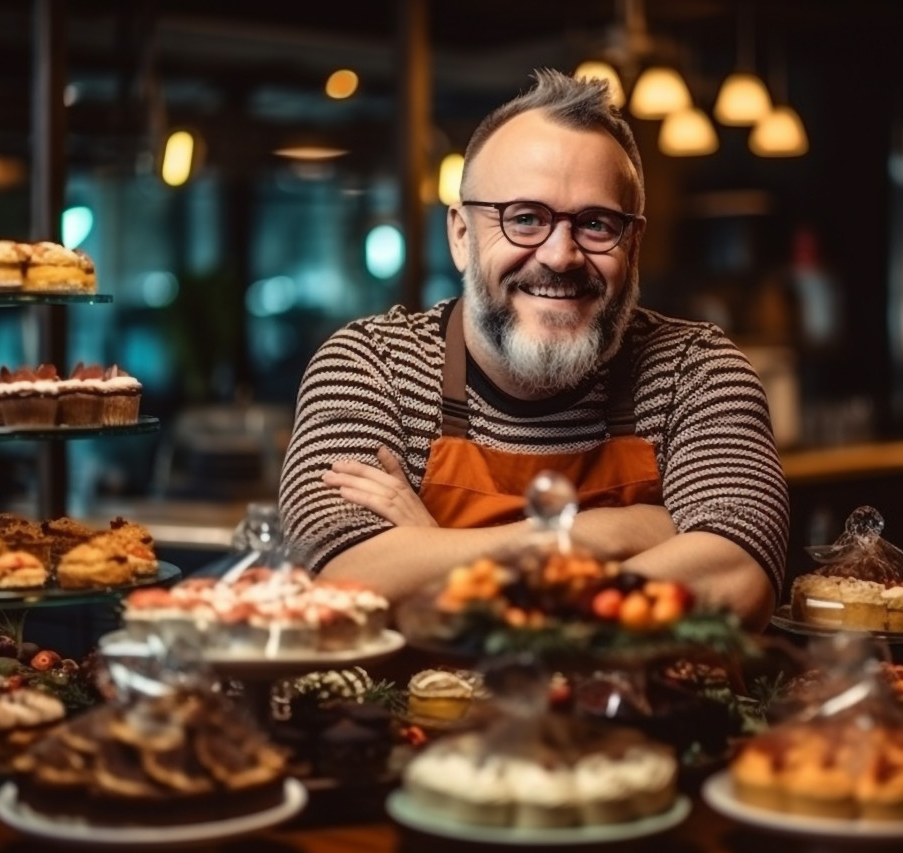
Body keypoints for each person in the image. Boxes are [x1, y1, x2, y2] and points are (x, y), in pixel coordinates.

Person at [278, 68, 788, 629]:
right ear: (461, 236)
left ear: (634, 245)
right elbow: (338, 583)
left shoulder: (700, 370)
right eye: (524, 219)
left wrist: (433, 551)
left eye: (596, 224)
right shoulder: (369, 364)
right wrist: (600, 533)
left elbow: (736, 581)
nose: (560, 255)